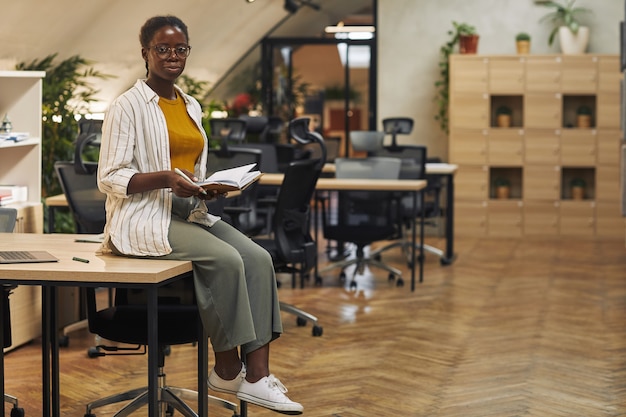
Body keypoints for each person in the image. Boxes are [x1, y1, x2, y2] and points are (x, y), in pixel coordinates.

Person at [97, 15, 303, 415]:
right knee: (225, 259)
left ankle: (258, 378)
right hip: (143, 216)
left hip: (188, 208)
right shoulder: (127, 106)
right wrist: (167, 179)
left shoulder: (189, 104)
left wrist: (208, 186)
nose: (172, 56)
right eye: (162, 48)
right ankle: (227, 367)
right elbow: (109, 177)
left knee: (259, 258)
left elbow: (188, 166)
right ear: (146, 54)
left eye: (180, 49)